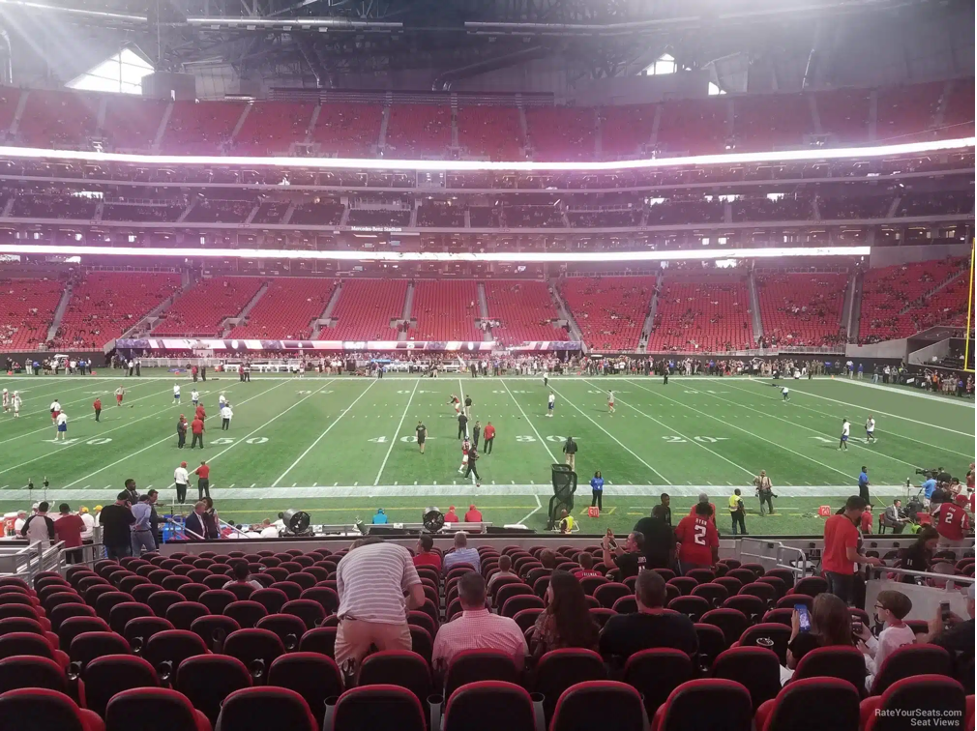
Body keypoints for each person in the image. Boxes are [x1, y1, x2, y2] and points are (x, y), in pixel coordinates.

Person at [335, 537, 424, 672]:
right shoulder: (400, 551)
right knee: (401, 670)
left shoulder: (344, 561)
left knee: (345, 672)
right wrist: (403, 607)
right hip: (392, 621)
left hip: (353, 622)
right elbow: (419, 599)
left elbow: (344, 607)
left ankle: (350, 689)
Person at [433, 571, 527, 668]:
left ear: (460, 599)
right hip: (505, 682)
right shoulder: (511, 626)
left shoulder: (444, 633)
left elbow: (437, 668)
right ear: (485, 596)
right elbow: (520, 666)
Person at [599, 570, 698, 660]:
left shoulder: (616, 626)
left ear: (637, 595)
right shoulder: (685, 625)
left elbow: (602, 654)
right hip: (678, 680)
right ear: (665, 594)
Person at [822, 496, 883, 604]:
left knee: (829, 604)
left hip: (827, 567)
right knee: (839, 606)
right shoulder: (851, 529)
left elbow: (826, 542)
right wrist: (869, 560)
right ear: (858, 510)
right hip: (842, 572)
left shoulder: (830, 520)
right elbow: (851, 556)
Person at [921, 583, 975, 694]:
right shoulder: (965, 630)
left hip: (962, 695)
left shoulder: (963, 632)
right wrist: (963, 625)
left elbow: (926, 654)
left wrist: (934, 632)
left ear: (973, 604)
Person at [530, 571, 599, 657]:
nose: (547, 590)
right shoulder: (589, 621)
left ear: (558, 593)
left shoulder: (545, 620)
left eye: (549, 587)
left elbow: (535, 650)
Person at [857, 590, 915, 690]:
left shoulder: (885, 635)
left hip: (884, 686)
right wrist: (869, 637)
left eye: (877, 606)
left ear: (887, 612)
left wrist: (865, 655)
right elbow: (889, 650)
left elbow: (878, 671)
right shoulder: (908, 630)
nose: (876, 610)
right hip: (901, 681)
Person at [786, 593, 858, 672]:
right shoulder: (849, 642)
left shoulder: (803, 639)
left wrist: (795, 631)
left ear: (816, 618)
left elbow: (790, 663)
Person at [675, 502, 720, 573]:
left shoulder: (686, 520)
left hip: (687, 555)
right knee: (702, 581)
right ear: (708, 514)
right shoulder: (711, 526)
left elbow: (678, 537)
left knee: (686, 581)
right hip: (704, 558)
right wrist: (713, 562)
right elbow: (714, 548)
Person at [100, 492, 135, 559]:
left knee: (112, 563)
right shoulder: (125, 510)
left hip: (109, 540)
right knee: (124, 561)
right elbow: (133, 522)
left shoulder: (106, 509)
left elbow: (101, 523)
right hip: (122, 541)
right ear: (126, 501)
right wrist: (130, 509)